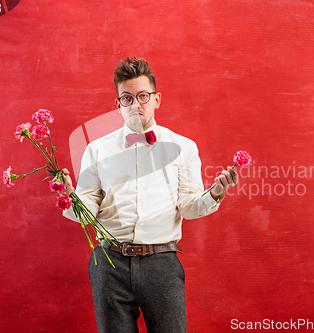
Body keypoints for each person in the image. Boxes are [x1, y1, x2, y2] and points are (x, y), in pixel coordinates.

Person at [61, 56, 238, 333]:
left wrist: (214, 192)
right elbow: (86, 213)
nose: (136, 104)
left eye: (143, 95)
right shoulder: (96, 149)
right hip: (109, 264)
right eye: (127, 98)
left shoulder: (184, 147)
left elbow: (189, 207)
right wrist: (70, 198)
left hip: (162, 264)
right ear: (118, 105)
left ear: (156, 99)